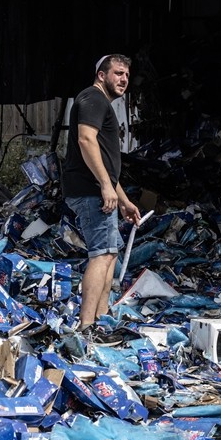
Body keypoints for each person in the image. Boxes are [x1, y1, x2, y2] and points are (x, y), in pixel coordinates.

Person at [63, 54, 141, 331]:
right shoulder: (93, 99)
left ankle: (100, 319)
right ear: (101, 75)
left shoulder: (99, 103)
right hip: (90, 190)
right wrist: (106, 186)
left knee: (110, 253)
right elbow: (86, 140)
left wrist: (124, 200)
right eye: (118, 73)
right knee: (101, 254)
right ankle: (86, 326)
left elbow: (106, 163)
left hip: (98, 190)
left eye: (127, 76)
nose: (123, 80)